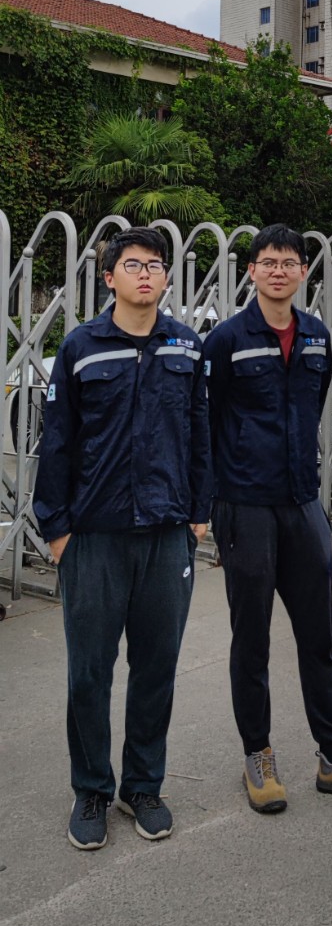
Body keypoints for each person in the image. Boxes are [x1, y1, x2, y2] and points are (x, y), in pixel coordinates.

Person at [204, 223, 332, 814]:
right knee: (252, 640)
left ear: (303, 273)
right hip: (245, 507)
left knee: (321, 635)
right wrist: (209, 505)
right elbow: (205, 422)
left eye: (289, 262)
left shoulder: (317, 336)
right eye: (268, 262)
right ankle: (258, 755)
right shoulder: (227, 340)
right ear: (251, 271)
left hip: (303, 504)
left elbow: (313, 406)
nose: (278, 271)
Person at [33, 226, 213, 851]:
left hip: (166, 535)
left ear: (166, 278)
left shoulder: (186, 346)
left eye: (155, 265)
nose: (145, 274)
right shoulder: (81, 347)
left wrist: (199, 514)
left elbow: (200, 432)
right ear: (109, 278)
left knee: (156, 667)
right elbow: (56, 441)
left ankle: (143, 786)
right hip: (94, 537)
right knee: (89, 672)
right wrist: (57, 531)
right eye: (132, 265)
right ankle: (90, 788)